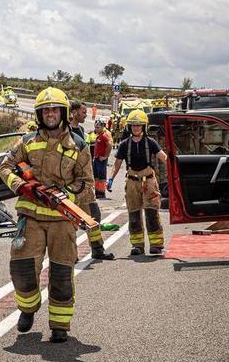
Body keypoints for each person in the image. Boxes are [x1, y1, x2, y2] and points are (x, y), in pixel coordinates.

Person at [0, 87, 94, 342]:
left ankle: (60, 325)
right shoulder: (28, 141)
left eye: (54, 109)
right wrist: (22, 186)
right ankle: (28, 309)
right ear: (40, 114)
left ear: (63, 113)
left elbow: (87, 184)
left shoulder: (79, 145)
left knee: (62, 273)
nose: (50, 114)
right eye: (45, 110)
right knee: (22, 269)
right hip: (30, 217)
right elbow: (5, 166)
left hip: (62, 220)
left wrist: (64, 197)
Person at [108, 109, 168, 255]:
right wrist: (111, 178)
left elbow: (164, 158)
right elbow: (117, 164)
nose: (136, 128)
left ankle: (156, 244)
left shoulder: (151, 142)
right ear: (129, 127)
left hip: (149, 182)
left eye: (139, 125)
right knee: (134, 214)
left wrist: (175, 173)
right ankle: (137, 245)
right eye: (133, 125)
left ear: (144, 127)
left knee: (151, 212)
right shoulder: (124, 144)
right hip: (132, 182)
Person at [69, 100, 115, 261]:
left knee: (94, 215)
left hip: (86, 184)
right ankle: (70, 255)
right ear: (73, 113)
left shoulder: (81, 130)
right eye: (83, 112)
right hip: (72, 185)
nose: (86, 114)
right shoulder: (64, 131)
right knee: (70, 220)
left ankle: (97, 249)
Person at [92, 118, 112, 199]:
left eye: (98, 127)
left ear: (103, 127)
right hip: (96, 159)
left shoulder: (104, 135)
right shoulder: (99, 136)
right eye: (95, 127)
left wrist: (105, 157)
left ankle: (101, 193)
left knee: (101, 177)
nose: (96, 129)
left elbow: (109, 145)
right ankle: (97, 192)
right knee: (96, 176)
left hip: (101, 160)